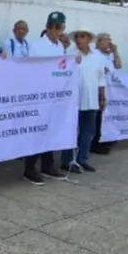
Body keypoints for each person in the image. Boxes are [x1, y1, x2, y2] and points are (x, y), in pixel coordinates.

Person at [22, 11, 70, 184]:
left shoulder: (60, 47)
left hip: (55, 95)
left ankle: (47, 165)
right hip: (40, 95)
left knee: (51, 131)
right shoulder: (37, 45)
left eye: (58, 27)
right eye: (51, 26)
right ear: (47, 27)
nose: (54, 30)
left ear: (63, 28)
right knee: (37, 131)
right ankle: (29, 168)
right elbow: (32, 69)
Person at [69, 29, 106, 172]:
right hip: (74, 100)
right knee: (72, 131)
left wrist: (102, 97)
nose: (79, 39)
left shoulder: (97, 56)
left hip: (91, 100)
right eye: (77, 37)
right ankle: (69, 161)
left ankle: (83, 159)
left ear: (89, 39)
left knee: (88, 131)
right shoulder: (70, 54)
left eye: (82, 36)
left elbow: (101, 78)